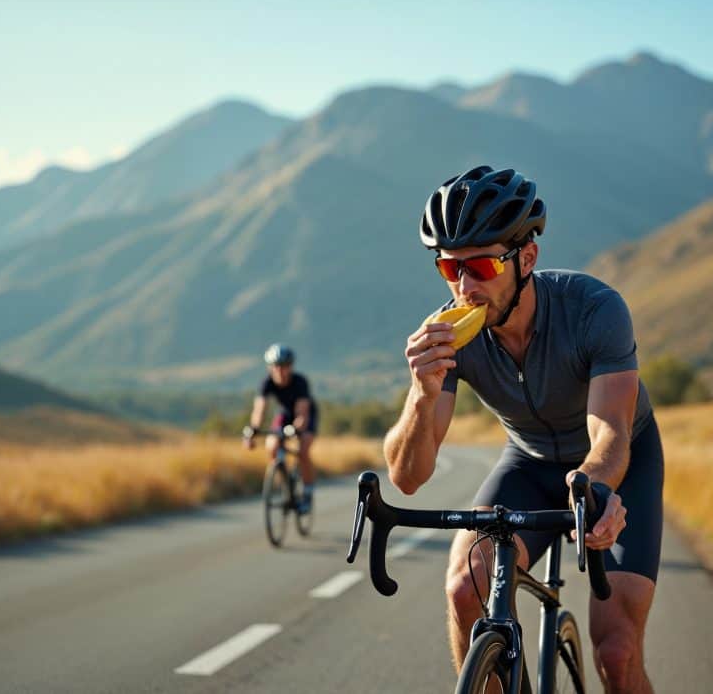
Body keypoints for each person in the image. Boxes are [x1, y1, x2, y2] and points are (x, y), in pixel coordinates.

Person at [384, 166, 664, 693]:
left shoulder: (594, 310)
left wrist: (596, 491)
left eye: (480, 266)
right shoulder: (447, 335)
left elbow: (611, 433)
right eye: (449, 267)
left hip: (618, 467)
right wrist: (422, 392)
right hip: (529, 463)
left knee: (617, 651)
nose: (465, 287)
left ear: (527, 258)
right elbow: (408, 477)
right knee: (465, 590)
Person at [244, 343, 318, 511]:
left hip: (305, 415)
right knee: (272, 446)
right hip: (284, 414)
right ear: (270, 367)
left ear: (290, 366)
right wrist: (252, 430)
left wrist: (296, 429)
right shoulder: (266, 382)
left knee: (303, 450)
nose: (279, 370)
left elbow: (302, 414)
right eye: (275, 366)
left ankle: (307, 493)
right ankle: (284, 484)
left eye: (283, 366)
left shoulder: (299, 382)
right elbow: (259, 410)